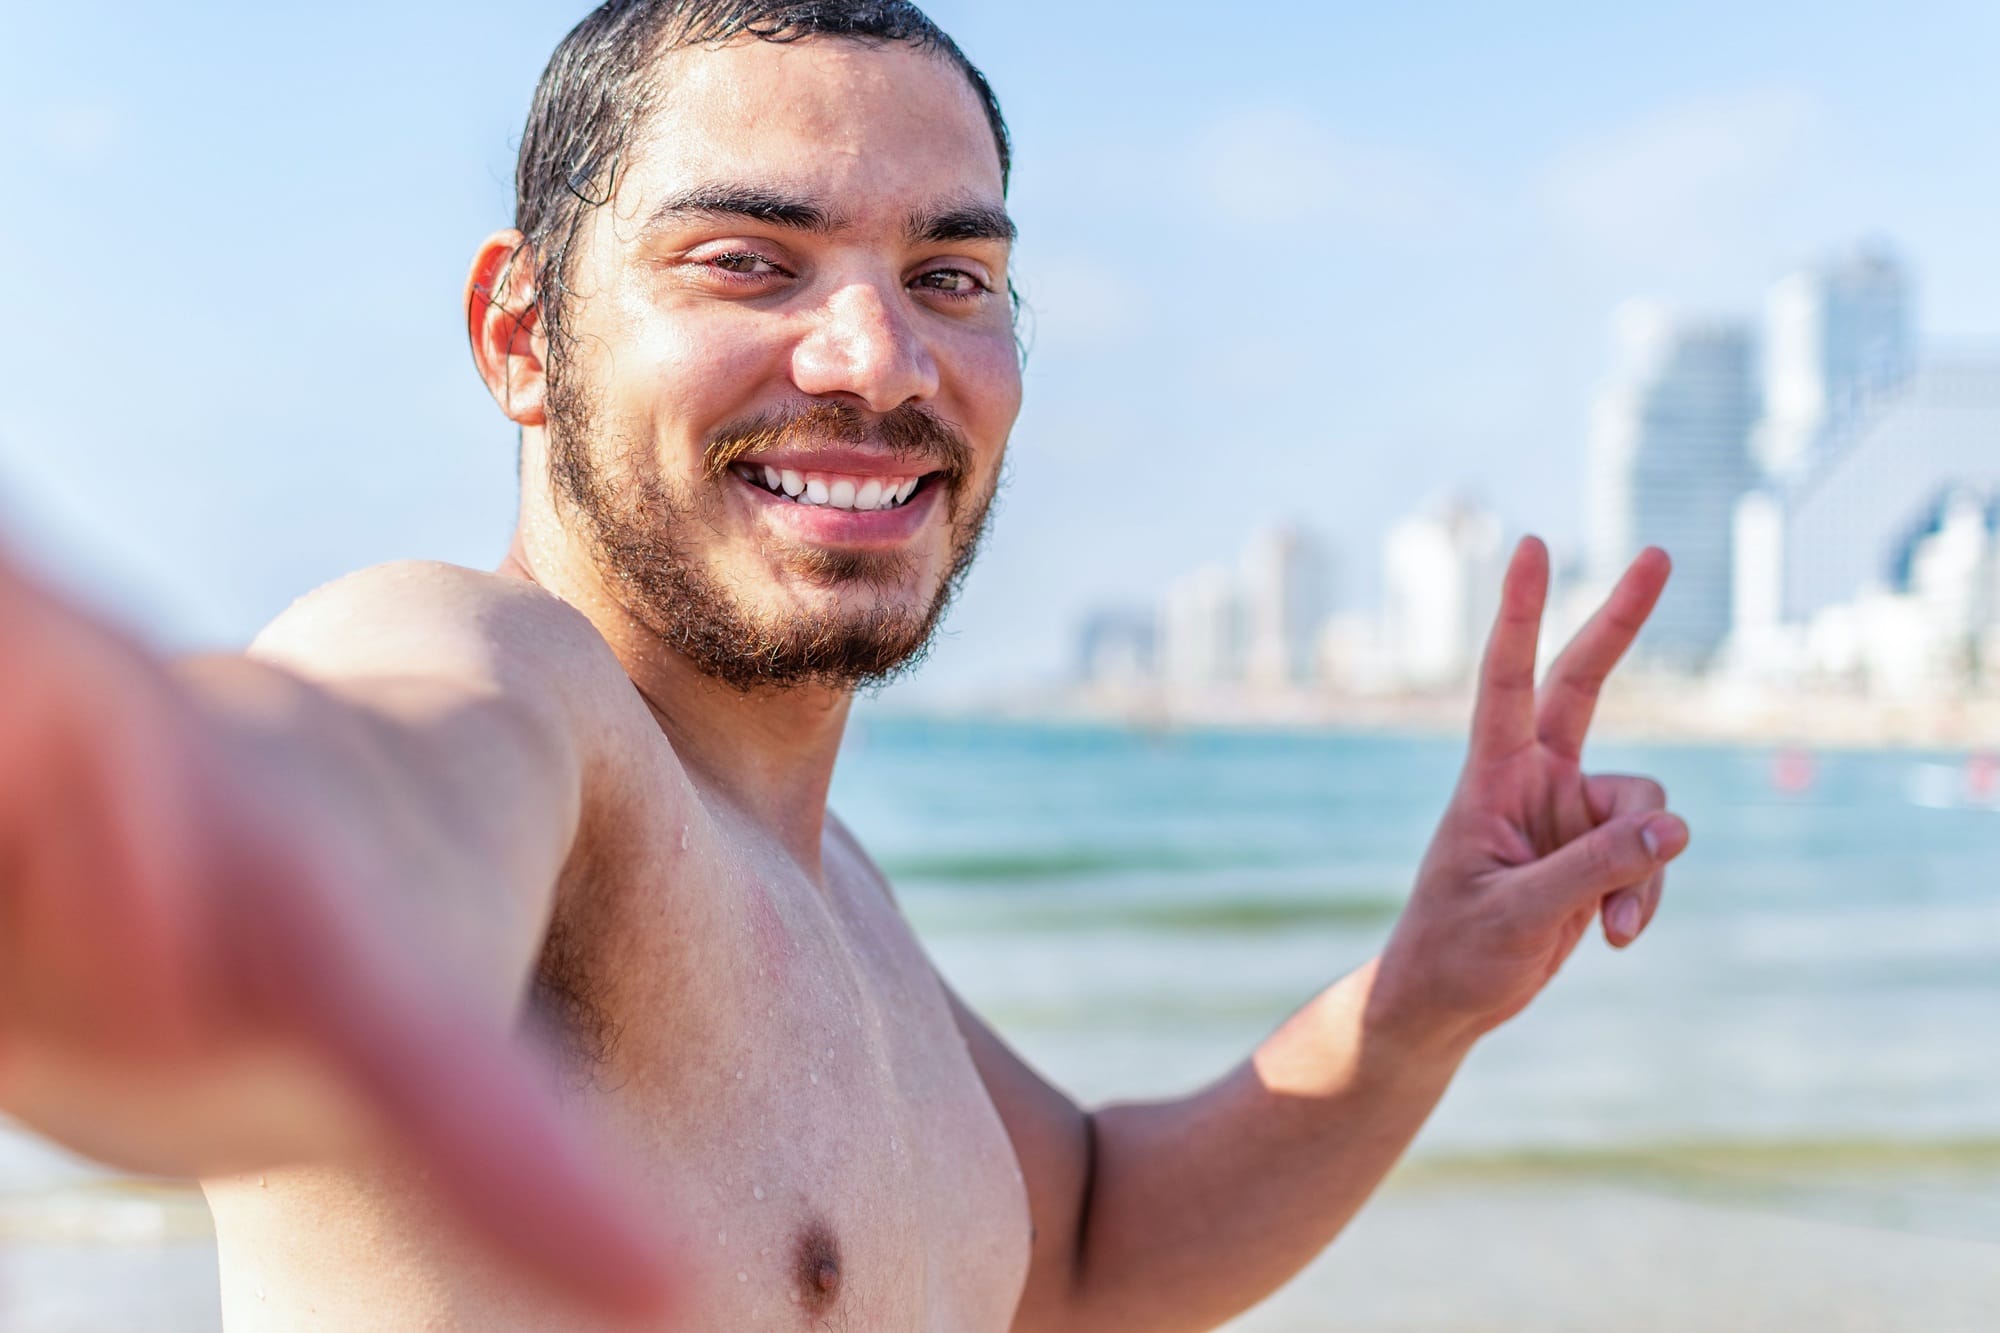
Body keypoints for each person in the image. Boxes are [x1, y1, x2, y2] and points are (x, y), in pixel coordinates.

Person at [0, 2, 1689, 1328]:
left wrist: (1414, 1008)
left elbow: (1090, 1250)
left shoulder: (838, 895)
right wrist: (168, 844)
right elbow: (375, 786)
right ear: (521, 335)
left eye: (951, 274)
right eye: (750, 259)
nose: (879, 359)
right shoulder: (501, 682)